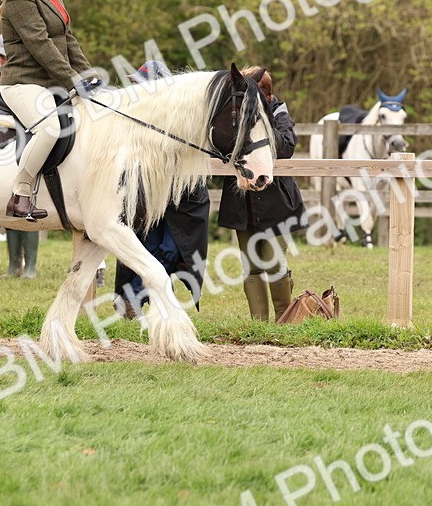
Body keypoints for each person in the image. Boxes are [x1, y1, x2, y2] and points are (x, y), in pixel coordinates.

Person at [0, 0, 101, 220]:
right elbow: (40, 45)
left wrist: (91, 77)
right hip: (23, 83)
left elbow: (68, 41)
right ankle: (20, 193)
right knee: (50, 127)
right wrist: (73, 81)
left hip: (48, 84)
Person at [113, 60, 211, 318]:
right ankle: (139, 300)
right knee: (146, 248)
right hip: (151, 197)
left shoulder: (181, 116)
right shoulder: (134, 116)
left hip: (184, 200)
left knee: (170, 250)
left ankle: (134, 298)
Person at [218, 67, 305, 322]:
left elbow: (287, 146)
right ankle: (259, 325)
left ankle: (284, 322)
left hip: (276, 200)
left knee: (274, 262)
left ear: (263, 93)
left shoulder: (278, 112)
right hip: (242, 199)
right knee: (251, 265)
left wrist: (258, 131)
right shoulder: (236, 113)